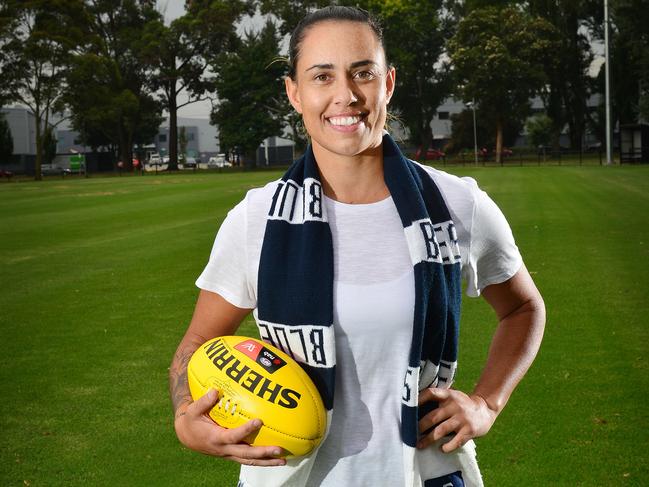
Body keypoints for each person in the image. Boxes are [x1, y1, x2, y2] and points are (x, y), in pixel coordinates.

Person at [169, 6, 545, 487]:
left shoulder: (456, 204)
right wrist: (186, 416)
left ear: (387, 83)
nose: (345, 95)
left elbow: (523, 309)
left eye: (361, 73)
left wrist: (487, 403)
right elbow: (196, 344)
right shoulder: (256, 219)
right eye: (322, 76)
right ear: (294, 93)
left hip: (422, 473)